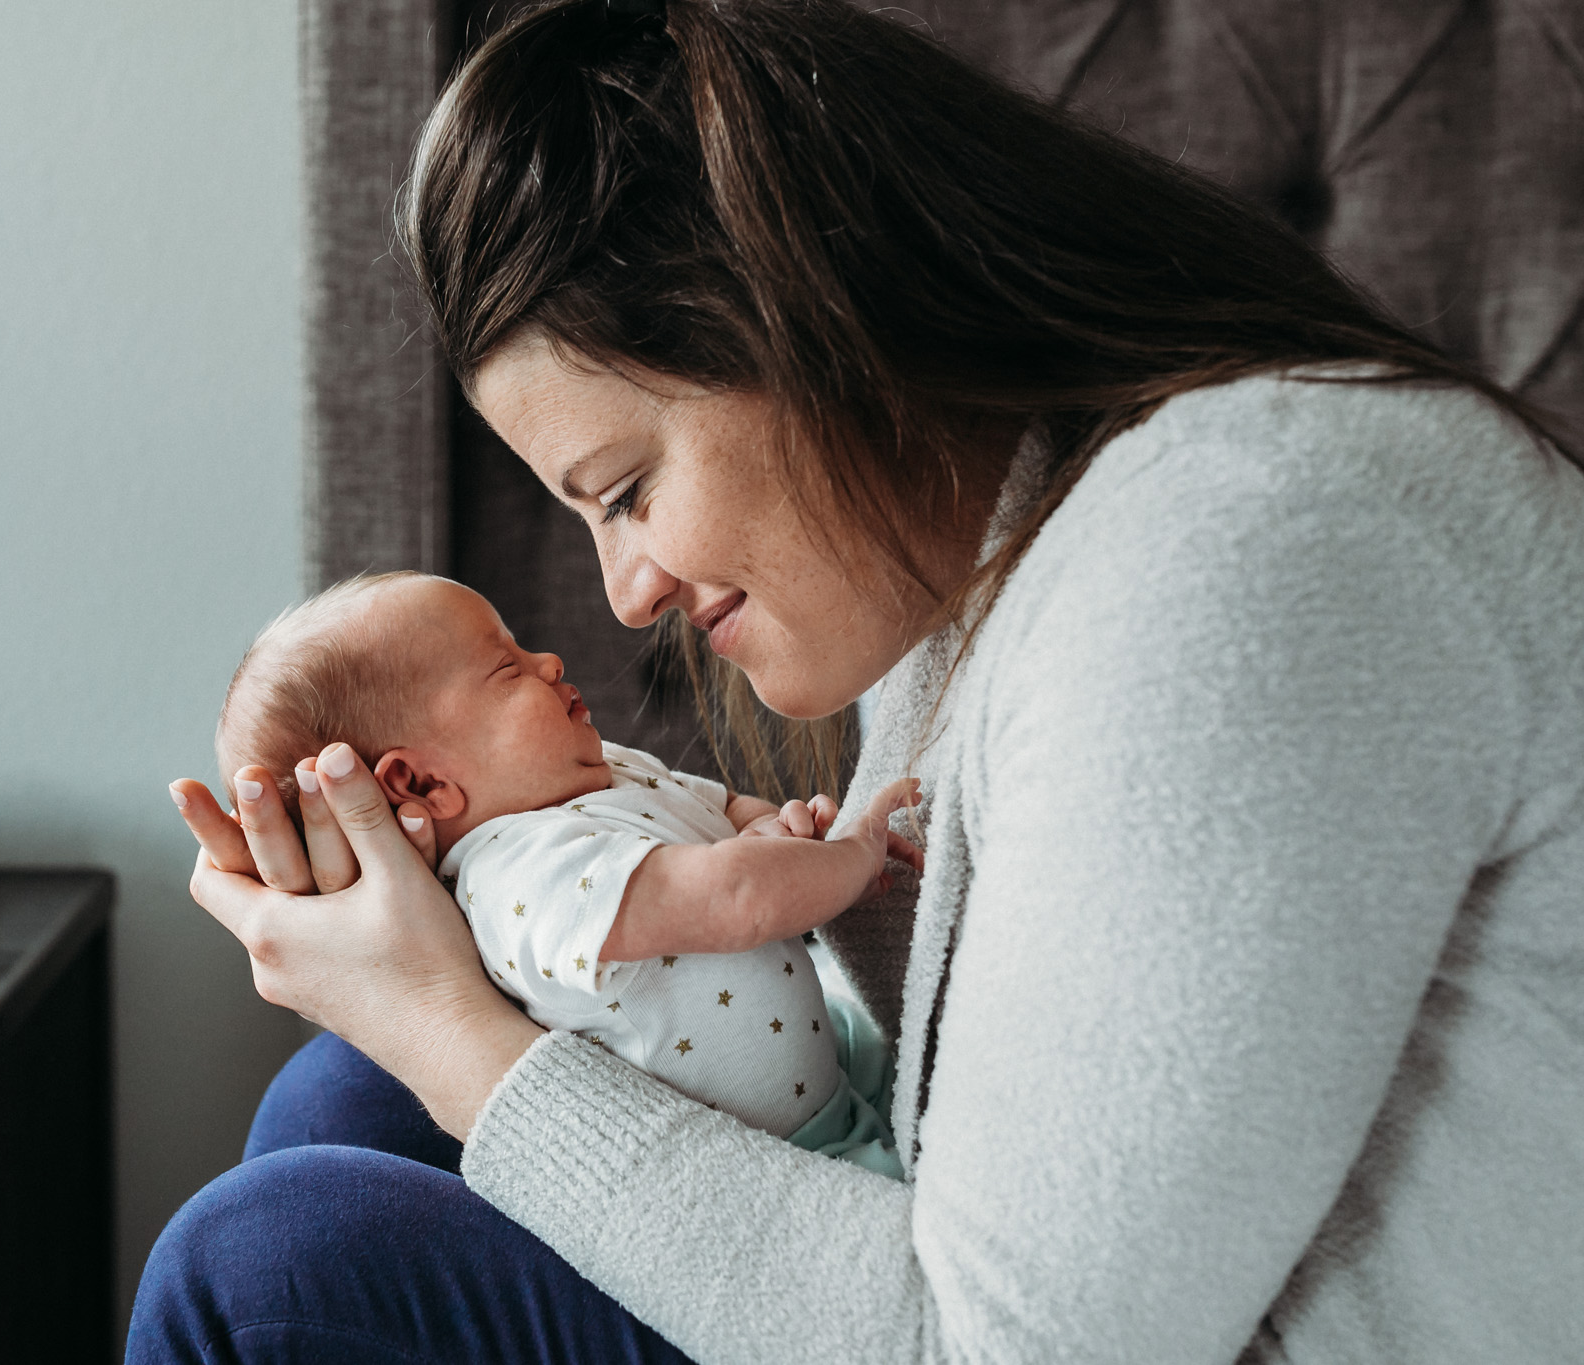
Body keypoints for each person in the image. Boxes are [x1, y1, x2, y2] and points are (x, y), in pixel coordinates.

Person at [133, 1, 1584, 1361]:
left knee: (263, 1262)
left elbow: (1006, 1344)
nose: (624, 592)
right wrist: (426, 919)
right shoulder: (970, 595)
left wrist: (446, 1031)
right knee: (344, 1096)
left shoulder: (1248, 546)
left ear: (805, 319)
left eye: (627, 486)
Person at [214, 569, 919, 1173]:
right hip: (779, 1154)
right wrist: (852, 854)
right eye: (505, 668)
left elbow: (729, 814)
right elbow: (734, 898)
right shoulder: (519, 881)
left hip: (835, 1050)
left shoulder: (605, 772)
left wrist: (775, 828)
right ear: (424, 785)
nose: (548, 660)